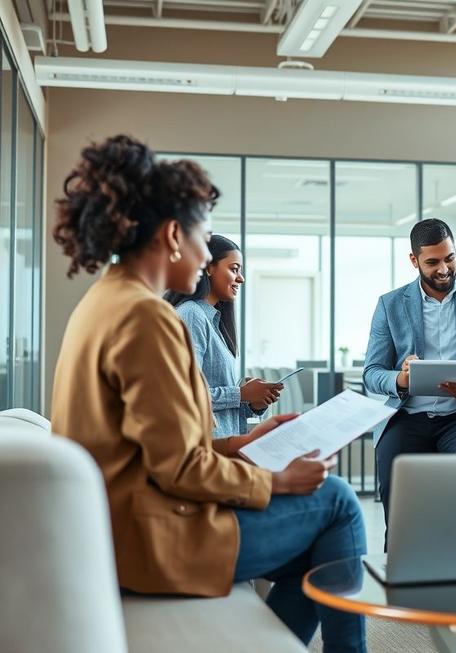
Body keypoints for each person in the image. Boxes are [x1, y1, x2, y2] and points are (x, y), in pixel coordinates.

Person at [49, 135, 367, 653]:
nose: (205, 255)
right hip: (150, 541)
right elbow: (181, 470)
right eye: (203, 236)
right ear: (174, 234)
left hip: (119, 527)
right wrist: (278, 481)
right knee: (337, 503)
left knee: (323, 534)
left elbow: (157, 448)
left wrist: (245, 443)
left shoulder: (104, 301)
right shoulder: (147, 317)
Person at [363, 218, 456, 534]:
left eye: (450, 258)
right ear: (414, 260)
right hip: (406, 417)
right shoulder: (390, 305)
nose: (443, 269)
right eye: (432, 262)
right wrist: (400, 379)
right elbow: (371, 374)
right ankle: (400, 564)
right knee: (399, 493)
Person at [165, 234, 283, 437]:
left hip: (222, 447)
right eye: (234, 269)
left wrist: (253, 403)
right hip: (205, 450)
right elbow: (183, 395)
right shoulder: (192, 315)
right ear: (209, 267)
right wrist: (241, 394)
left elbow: (220, 410)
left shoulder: (213, 321)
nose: (241, 278)